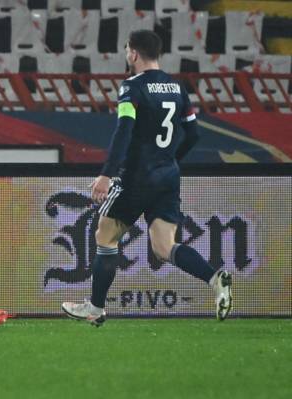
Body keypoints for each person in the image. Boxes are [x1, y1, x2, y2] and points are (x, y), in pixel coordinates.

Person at [61, 30, 232, 326]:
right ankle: (214, 278)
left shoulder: (132, 88)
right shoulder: (177, 89)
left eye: (127, 49)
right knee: (164, 247)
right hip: (168, 177)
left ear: (134, 54)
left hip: (136, 177)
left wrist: (106, 174)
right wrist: (170, 161)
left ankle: (96, 307)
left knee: (105, 233)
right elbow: (193, 134)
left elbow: (124, 130)